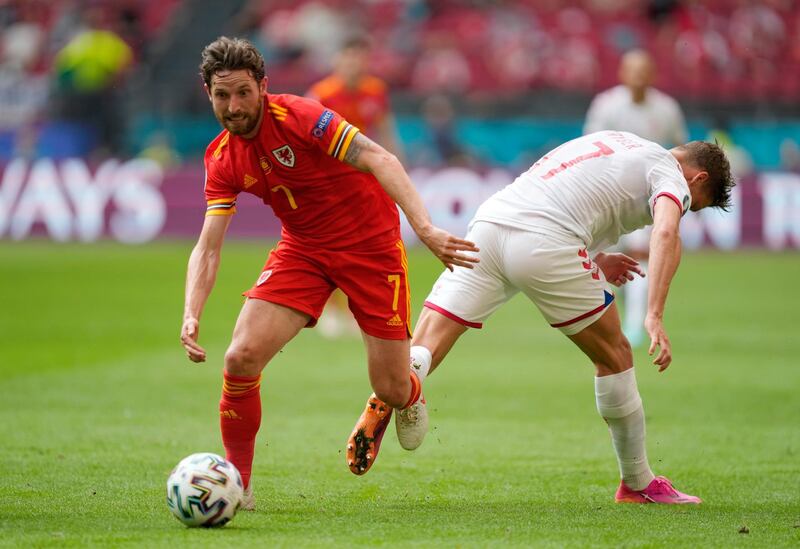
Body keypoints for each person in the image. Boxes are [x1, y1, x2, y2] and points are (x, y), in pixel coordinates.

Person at [348, 130, 734, 505]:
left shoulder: (618, 140)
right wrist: (653, 314)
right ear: (697, 178)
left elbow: (564, 193)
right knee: (614, 355)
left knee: (426, 344)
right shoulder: (670, 174)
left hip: (491, 224)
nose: (688, 207)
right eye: (695, 203)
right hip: (546, 243)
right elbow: (666, 233)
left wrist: (595, 258)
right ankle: (637, 482)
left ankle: (407, 386)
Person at [180, 37, 478, 510]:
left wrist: (425, 228)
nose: (233, 107)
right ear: (207, 93)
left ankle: (407, 389)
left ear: (262, 86)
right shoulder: (221, 157)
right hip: (303, 249)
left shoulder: (299, 115)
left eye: (242, 93)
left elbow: (380, 157)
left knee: (391, 387)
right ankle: (239, 483)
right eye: (221, 96)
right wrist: (191, 313)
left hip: (371, 247)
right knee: (240, 357)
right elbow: (208, 247)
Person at [584, 49, 688, 346]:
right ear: (622, 73)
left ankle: (632, 327)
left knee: (642, 255)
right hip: (609, 196)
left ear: (652, 74)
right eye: (633, 70)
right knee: (606, 260)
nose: (639, 76)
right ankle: (609, 318)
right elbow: (591, 147)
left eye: (644, 70)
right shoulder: (606, 105)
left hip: (647, 197)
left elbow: (681, 148)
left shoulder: (667, 108)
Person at [306, 35, 405, 338]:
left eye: (360, 57)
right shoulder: (321, 94)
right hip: (329, 182)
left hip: (364, 177)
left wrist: (397, 165)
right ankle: (331, 309)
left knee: (365, 244)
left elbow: (386, 131)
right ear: (338, 61)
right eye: (349, 57)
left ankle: (353, 309)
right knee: (331, 244)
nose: (354, 64)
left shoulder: (376, 91)